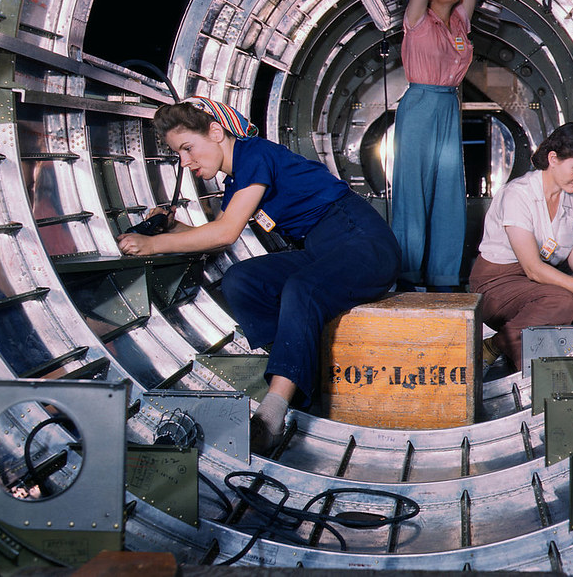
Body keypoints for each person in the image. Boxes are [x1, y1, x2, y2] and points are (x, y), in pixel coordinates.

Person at [117, 97, 400, 455]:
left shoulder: (254, 154)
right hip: (320, 250)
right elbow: (217, 234)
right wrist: (170, 228)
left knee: (302, 288)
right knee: (241, 280)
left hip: (363, 243)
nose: (185, 163)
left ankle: (271, 415)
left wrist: (153, 245)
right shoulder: (238, 182)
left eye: (187, 148)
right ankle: (293, 371)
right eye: (179, 155)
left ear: (217, 132)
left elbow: (224, 233)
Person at [468, 122, 573, 371]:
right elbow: (533, 269)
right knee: (563, 302)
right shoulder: (518, 194)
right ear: (553, 158)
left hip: (540, 284)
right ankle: (501, 349)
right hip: (497, 284)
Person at [392, 0, 481, 290]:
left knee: (449, 192)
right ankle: (408, 274)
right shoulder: (417, 20)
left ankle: (443, 277)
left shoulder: (460, 23)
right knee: (411, 191)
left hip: (447, 106)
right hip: (418, 105)